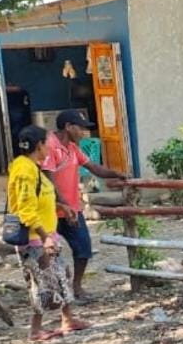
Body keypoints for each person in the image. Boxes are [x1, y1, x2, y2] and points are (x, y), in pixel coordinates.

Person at [7, 124, 89, 342]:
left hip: (47, 234)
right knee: (41, 283)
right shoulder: (24, 170)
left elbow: (43, 198)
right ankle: (35, 329)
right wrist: (44, 238)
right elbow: (26, 210)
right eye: (48, 143)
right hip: (35, 239)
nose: (51, 148)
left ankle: (67, 318)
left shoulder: (34, 167)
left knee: (62, 274)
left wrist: (63, 208)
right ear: (40, 145)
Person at [42, 109, 128, 301]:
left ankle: (76, 287)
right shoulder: (50, 146)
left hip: (72, 208)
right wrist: (63, 204)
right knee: (48, 252)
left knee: (83, 248)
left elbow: (93, 167)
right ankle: (52, 291)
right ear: (68, 127)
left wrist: (116, 173)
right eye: (80, 128)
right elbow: (48, 179)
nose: (83, 133)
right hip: (50, 211)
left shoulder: (73, 148)